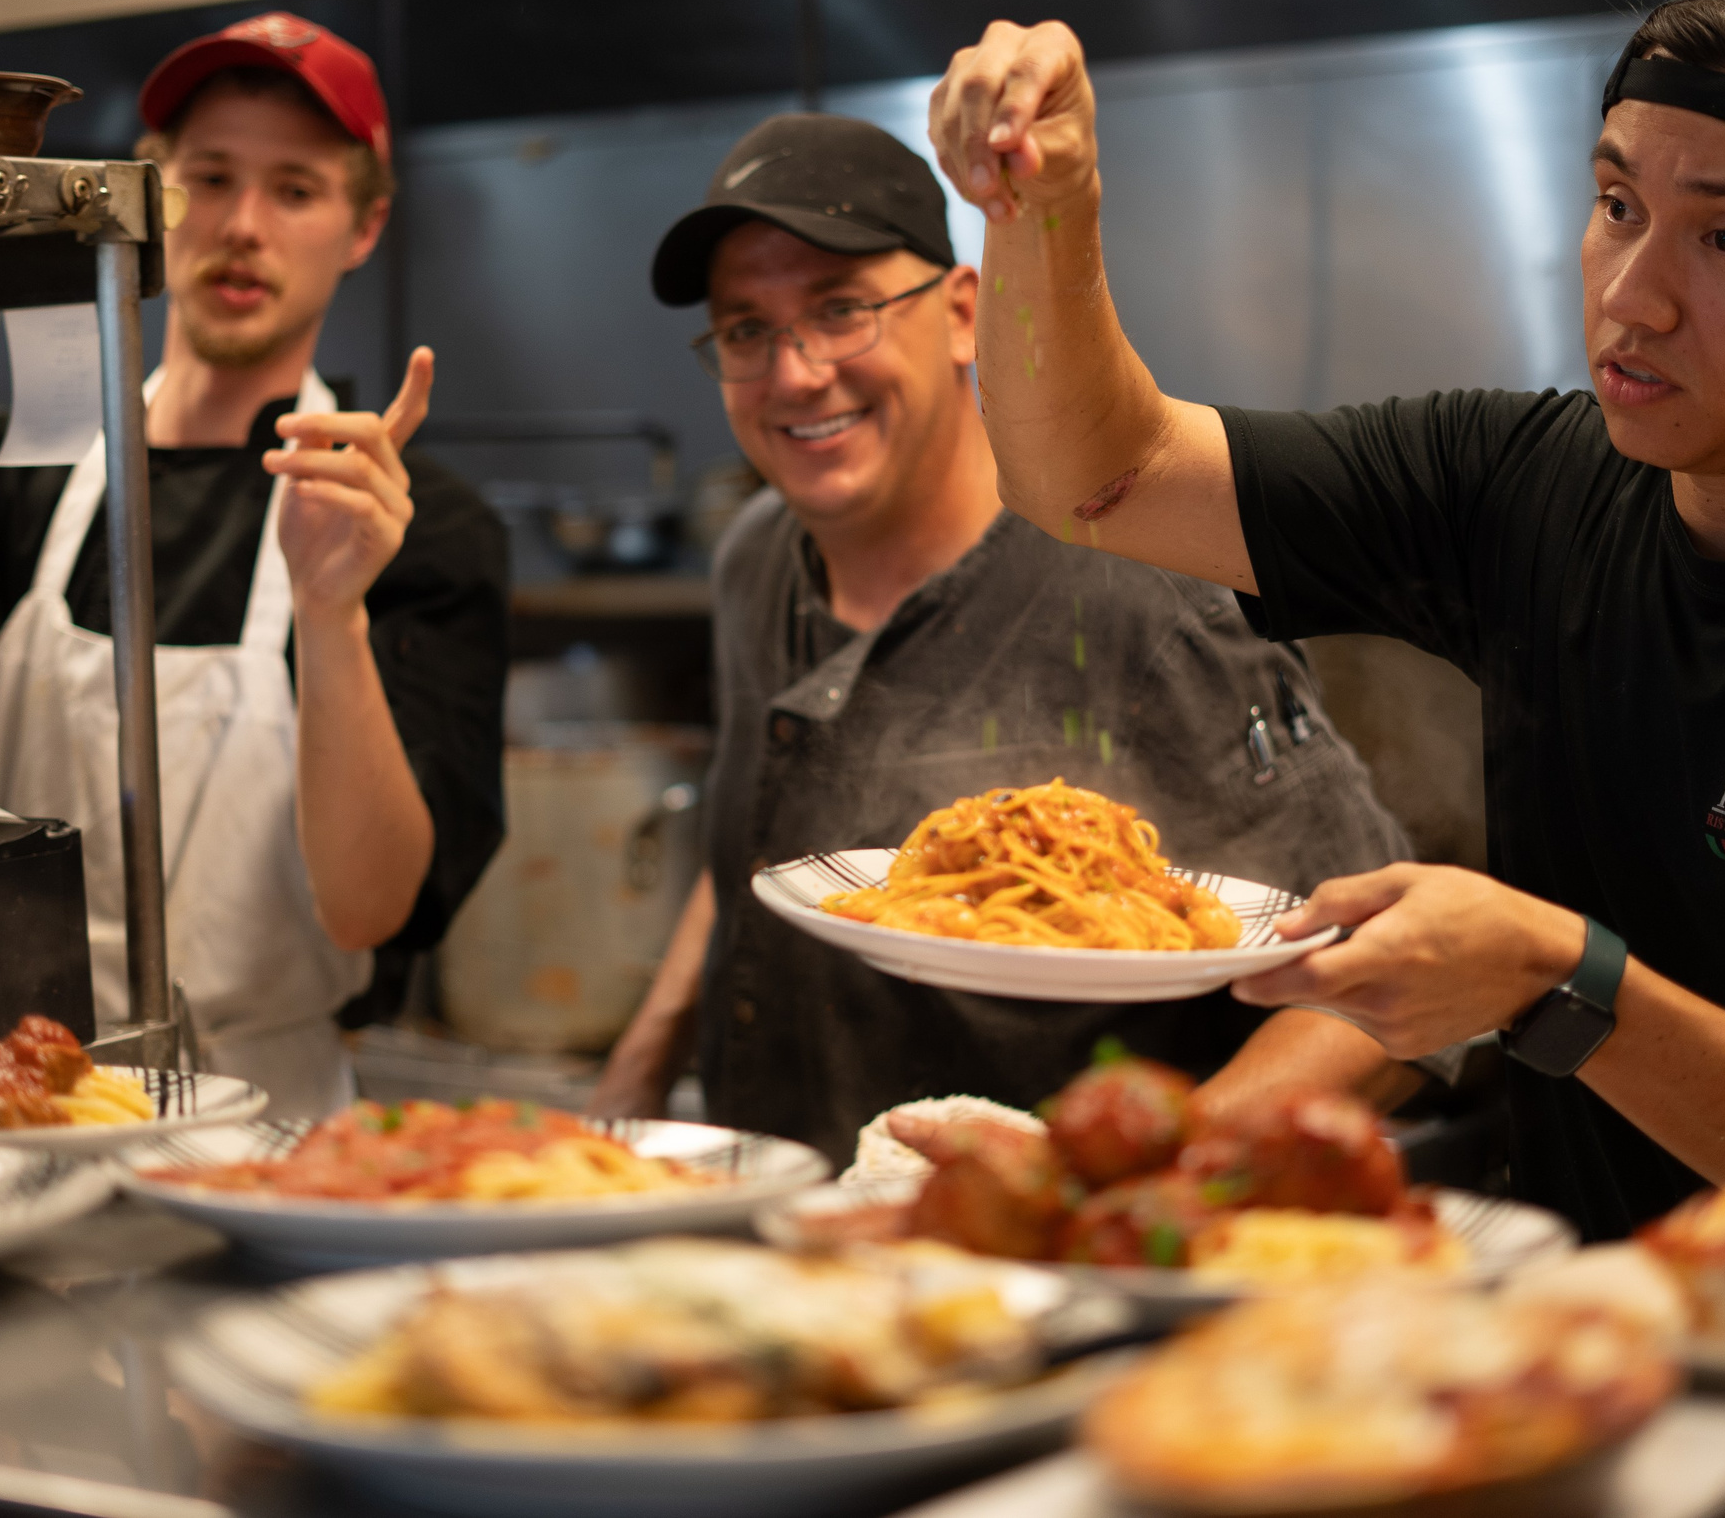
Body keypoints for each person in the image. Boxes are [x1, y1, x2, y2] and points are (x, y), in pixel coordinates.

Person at [925, 0, 1725, 1237]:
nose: (1631, 295)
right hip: (1585, 1347)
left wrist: (1567, 984)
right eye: (1614, 206)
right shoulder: (1522, 482)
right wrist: (1044, 207)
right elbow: (1098, 475)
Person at [0, 13, 509, 1118]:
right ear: (151, 193)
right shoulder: (16, 472)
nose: (242, 226)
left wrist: (332, 613)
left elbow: (368, 909)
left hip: (278, 1120)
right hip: (19, 1098)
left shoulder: (404, 518)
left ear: (363, 227)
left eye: (296, 189)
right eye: (209, 177)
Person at [587, 113, 1412, 1160]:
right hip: (786, 1234)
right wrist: (640, 1068)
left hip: (1041, 1274)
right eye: (746, 329)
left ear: (965, 313)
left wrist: (1104, 1187)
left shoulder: (1147, 595)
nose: (793, 374)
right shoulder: (756, 555)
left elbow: (1374, 983)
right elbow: (762, 836)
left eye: (841, 310)